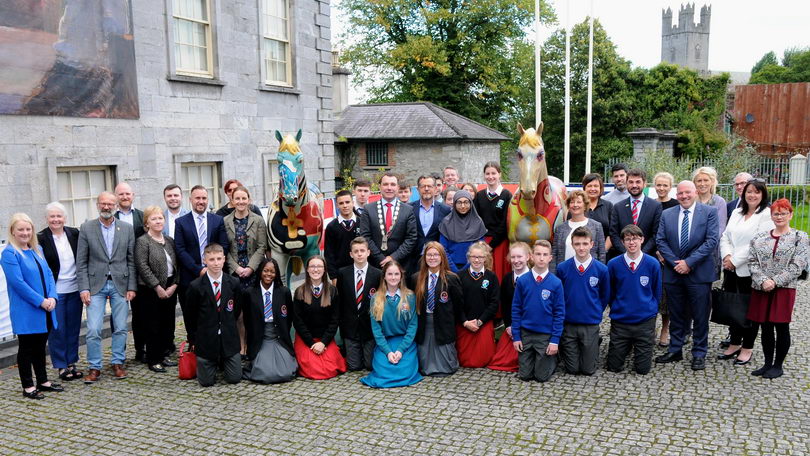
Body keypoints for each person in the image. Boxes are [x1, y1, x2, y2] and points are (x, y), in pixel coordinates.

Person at [655, 181, 719, 371]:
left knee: (700, 315)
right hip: (674, 273)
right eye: (680, 193)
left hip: (698, 273)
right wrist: (677, 263)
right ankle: (675, 349)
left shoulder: (709, 212)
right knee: (676, 314)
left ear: (695, 192)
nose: (684, 196)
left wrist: (689, 263)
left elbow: (711, 241)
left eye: (687, 192)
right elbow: (661, 240)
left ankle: (699, 352)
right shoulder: (667, 214)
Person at [77, 192, 137, 383]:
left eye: (110, 204)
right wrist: (83, 288)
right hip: (95, 285)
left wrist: (132, 286)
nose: (106, 207)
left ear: (116, 206)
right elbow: (82, 262)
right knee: (94, 329)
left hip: (120, 283)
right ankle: (95, 367)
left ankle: (118, 363)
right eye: (103, 203)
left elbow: (131, 260)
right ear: (97, 205)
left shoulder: (126, 228)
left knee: (120, 327)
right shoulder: (87, 228)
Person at [2, 213, 62, 399]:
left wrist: (52, 297)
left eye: (28, 229)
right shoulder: (9, 253)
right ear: (13, 231)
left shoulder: (38, 249)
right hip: (27, 310)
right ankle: (28, 386)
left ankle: (43, 381)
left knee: (40, 346)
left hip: (46, 308)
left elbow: (50, 275)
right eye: (21, 229)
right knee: (27, 348)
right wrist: (41, 301)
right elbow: (18, 284)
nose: (25, 233)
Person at [747, 199, 807, 379]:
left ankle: (778, 365)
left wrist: (774, 281)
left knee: (781, 326)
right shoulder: (759, 238)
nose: (779, 216)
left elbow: (798, 265)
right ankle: (767, 363)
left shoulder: (800, 237)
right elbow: (752, 261)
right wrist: (764, 280)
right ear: (771, 215)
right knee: (764, 327)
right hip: (761, 287)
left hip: (784, 288)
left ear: (790, 215)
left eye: (783, 213)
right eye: (776, 213)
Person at [717, 180, 773, 365]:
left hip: (750, 271)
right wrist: (726, 255)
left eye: (757, 192)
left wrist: (734, 260)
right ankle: (734, 343)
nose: (752, 195)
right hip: (731, 269)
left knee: (749, 310)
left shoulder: (765, 215)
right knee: (733, 307)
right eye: (749, 191)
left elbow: (758, 243)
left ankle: (747, 347)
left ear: (763, 195)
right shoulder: (737, 212)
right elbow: (725, 236)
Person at [174, 185, 230, 339]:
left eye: (204, 198)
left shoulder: (217, 220)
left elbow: (223, 245)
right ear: (190, 200)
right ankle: (193, 343)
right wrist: (198, 269)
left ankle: (214, 342)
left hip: (215, 274)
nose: (201, 201)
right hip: (190, 276)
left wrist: (212, 267)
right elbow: (180, 249)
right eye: (197, 198)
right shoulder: (181, 222)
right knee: (190, 313)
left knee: (214, 311)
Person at [606, 225, 661, 375]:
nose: (632, 242)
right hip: (621, 321)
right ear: (623, 242)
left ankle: (637, 346)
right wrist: (617, 306)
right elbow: (610, 291)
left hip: (644, 321)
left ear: (642, 240)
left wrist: (651, 309)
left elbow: (656, 291)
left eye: (635, 238)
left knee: (642, 370)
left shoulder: (652, 264)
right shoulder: (613, 264)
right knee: (613, 366)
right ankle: (625, 347)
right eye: (628, 239)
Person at [37, 202, 83, 382]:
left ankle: (72, 362)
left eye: (59, 216)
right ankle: (61, 366)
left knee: (73, 328)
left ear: (65, 218)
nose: (56, 219)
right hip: (55, 291)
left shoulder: (74, 234)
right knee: (57, 329)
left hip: (75, 289)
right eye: (52, 216)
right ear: (47, 219)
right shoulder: (40, 238)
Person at [185, 244, 243, 386]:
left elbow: (236, 310)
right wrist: (193, 340)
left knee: (234, 378)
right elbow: (190, 316)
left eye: (219, 259)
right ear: (205, 260)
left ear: (224, 259)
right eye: (211, 259)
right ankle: (212, 362)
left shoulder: (234, 283)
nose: (216, 263)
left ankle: (223, 360)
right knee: (206, 382)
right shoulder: (195, 286)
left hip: (228, 338)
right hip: (206, 340)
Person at [556, 227, 610, 375]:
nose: (581, 247)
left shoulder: (601, 269)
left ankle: (593, 343)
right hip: (569, 322)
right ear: (572, 245)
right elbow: (559, 295)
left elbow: (605, 295)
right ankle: (566, 346)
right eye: (577, 244)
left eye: (585, 244)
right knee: (572, 369)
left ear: (592, 244)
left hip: (590, 322)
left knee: (588, 370)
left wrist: (596, 310)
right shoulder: (562, 268)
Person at [360, 261, 423, 388]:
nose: (393, 277)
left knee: (404, 370)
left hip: (405, 343)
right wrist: (388, 352)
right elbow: (376, 330)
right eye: (389, 274)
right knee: (383, 370)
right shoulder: (376, 298)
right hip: (385, 343)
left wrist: (400, 351)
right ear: (384, 276)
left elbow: (412, 326)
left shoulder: (410, 297)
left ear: (401, 276)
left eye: (396, 274)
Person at [224, 186, 268, 357]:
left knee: (253, 311)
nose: (241, 202)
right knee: (238, 312)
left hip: (253, 271)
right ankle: (241, 345)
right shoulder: (225, 221)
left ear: (249, 200)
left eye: (244, 198)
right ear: (232, 201)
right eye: (238, 199)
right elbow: (224, 249)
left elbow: (262, 247)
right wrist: (236, 268)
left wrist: (250, 267)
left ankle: (253, 344)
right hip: (234, 273)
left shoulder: (258, 220)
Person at [511, 240, 565, 382]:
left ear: (550, 258)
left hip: (545, 334)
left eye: (545, 254)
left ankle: (553, 359)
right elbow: (516, 309)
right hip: (526, 333)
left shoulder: (556, 283)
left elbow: (559, 313)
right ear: (531, 256)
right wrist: (516, 336)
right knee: (525, 376)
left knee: (541, 377)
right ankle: (535, 360)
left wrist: (554, 340)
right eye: (538, 254)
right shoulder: (523, 281)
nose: (541, 258)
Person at [134, 206, 179, 373]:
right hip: (149, 289)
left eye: (160, 218)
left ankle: (164, 354)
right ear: (147, 223)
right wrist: (157, 287)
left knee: (167, 323)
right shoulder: (143, 241)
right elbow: (142, 266)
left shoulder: (169, 240)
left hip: (170, 287)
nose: (158, 221)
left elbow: (176, 265)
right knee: (153, 324)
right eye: (154, 219)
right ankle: (154, 359)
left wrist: (175, 284)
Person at [411, 242, 462, 376]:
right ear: (424, 257)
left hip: (443, 322)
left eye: (435, 255)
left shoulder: (451, 278)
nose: (432, 258)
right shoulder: (416, 278)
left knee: (445, 358)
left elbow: (458, 305)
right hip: (424, 322)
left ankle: (444, 367)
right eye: (429, 255)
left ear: (442, 257)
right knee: (424, 353)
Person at [243, 258, 298, 384]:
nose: (269, 274)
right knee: (266, 374)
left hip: (278, 337)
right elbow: (247, 320)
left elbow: (289, 317)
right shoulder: (250, 293)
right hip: (260, 339)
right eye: (265, 271)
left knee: (286, 372)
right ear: (260, 272)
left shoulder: (284, 292)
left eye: (272, 272)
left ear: (277, 273)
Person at [292, 256, 346, 379]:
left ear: (324, 270)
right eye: (312, 266)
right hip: (306, 339)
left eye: (319, 266)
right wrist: (311, 343)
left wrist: (323, 342)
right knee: (313, 369)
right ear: (307, 269)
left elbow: (334, 320)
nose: (315, 270)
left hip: (324, 338)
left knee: (331, 369)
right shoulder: (299, 292)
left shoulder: (332, 291)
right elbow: (297, 321)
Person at [336, 237, 381, 371]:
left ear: (368, 252)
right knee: (354, 366)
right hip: (350, 327)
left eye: (362, 250)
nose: (359, 254)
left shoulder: (377, 274)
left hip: (369, 328)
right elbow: (341, 300)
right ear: (351, 254)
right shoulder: (343, 273)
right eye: (356, 251)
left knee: (369, 365)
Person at [357, 172, 417, 269]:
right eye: (385, 184)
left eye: (393, 184)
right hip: (375, 265)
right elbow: (365, 236)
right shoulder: (368, 209)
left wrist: (394, 257)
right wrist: (380, 258)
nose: (389, 188)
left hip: (401, 264)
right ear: (379, 187)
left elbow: (411, 238)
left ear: (397, 188)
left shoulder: (408, 210)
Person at [488, 242, 532, 373]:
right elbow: (506, 304)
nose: (516, 261)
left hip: (529, 326)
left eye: (520, 257)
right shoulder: (507, 279)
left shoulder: (534, 278)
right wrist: (508, 326)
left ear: (528, 257)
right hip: (513, 326)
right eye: (513, 257)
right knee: (501, 360)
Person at [456, 241, 499, 368]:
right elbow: (457, 303)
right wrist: (465, 322)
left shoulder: (491, 277)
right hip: (464, 324)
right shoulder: (460, 276)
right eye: (474, 256)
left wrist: (480, 321)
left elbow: (494, 303)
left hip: (483, 323)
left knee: (483, 359)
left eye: (480, 257)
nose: (477, 260)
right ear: (468, 257)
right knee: (465, 360)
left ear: (485, 258)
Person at [609, 168, 662, 259]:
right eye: (631, 182)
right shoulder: (618, 207)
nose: (634, 185)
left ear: (644, 183)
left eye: (638, 182)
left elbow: (656, 234)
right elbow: (614, 234)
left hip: (647, 258)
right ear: (626, 183)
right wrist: (627, 254)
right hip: (623, 258)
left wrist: (640, 255)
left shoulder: (655, 206)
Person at [652, 172, 678, 347]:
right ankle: (649, 328)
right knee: (652, 293)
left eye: (665, 185)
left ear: (670, 186)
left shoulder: (676, 205)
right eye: (658, 185)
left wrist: (666, 253)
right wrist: (656, 250)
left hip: (669, 257)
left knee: (667, 297)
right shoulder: (650, 205)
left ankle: (665, 329)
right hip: (652, 255)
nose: (661, 188)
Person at [474, 161, 513, 279]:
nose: (490, 177)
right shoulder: (479, 195)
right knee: (483, 275)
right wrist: (482, 242)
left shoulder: (506, 195)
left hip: (500, 242)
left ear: (499, 174)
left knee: (499, 275)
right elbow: (476, 220)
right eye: (487, 174)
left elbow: (505, 223)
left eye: (493, 173)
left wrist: (491, 245)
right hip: (482, 241)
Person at [552, 190, 606, 272]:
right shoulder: (560, 228)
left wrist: (598, 273)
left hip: (590, 273)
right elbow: (554, 254)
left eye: (579, 202)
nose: (575, 205)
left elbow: (601, 254)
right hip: (565, 274)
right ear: (568, 206)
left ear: (585, 206)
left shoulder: (596, 226)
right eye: (572, 202)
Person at [440, 190, 487, 272]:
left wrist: (467, 268)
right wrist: (454, 269)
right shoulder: (446, 222)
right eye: (459, 202)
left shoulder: (478, 222)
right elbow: (443, 249)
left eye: (466, 202)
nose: (463, 206)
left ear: (471, 203)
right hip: (450, 268)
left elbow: (480, 248)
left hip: (473, 267)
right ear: (454, 204)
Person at [410, 175, 451, 260]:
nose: (426, 189)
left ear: (435, 189)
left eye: (429, 186)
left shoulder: (445, 210)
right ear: (418, 189)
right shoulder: (409, 209)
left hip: (436, 257)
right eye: (423, 186)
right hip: (413, 258)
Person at [325, 190, 358, 281]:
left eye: (347, 202)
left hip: (361, 271)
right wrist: (333, 277)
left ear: (353, 203)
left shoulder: (362, 222)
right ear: (337, 205)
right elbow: (329, 254)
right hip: (341, 273)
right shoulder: (331, 226)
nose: (345, 205)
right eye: (341, 203)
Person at [582, 173, 614, 253]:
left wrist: (603, 250)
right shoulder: (577, 206)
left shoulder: (608, 206)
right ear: (584, 188)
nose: (593, 189)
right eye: (589, 186)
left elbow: (613, 232)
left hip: (604, 253)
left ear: (601, 188)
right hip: (581, 252)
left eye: (596, 186)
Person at [693, 166, 728, 235]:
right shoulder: (691, 201)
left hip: (712, 243)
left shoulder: (719, 202)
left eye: (706, 180)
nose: (702, 184)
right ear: (694, 183)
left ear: (712, 182)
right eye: (699, 181)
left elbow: (721, 228)